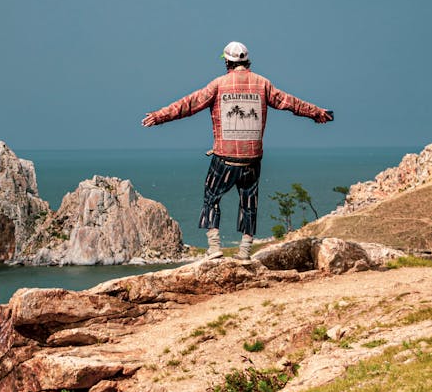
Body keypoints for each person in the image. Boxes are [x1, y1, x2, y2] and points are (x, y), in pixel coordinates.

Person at [142, 41, 334, 261]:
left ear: (227, 61)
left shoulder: (218, 85)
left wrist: (159, 116)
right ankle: (244, 251)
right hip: (252, 159)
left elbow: (189, 104)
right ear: (246, 61)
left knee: (211, 197)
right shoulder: (262, 84)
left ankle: (214, 247)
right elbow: (290, 102)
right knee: (249, 203)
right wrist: (317, 112)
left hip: (225, 158)